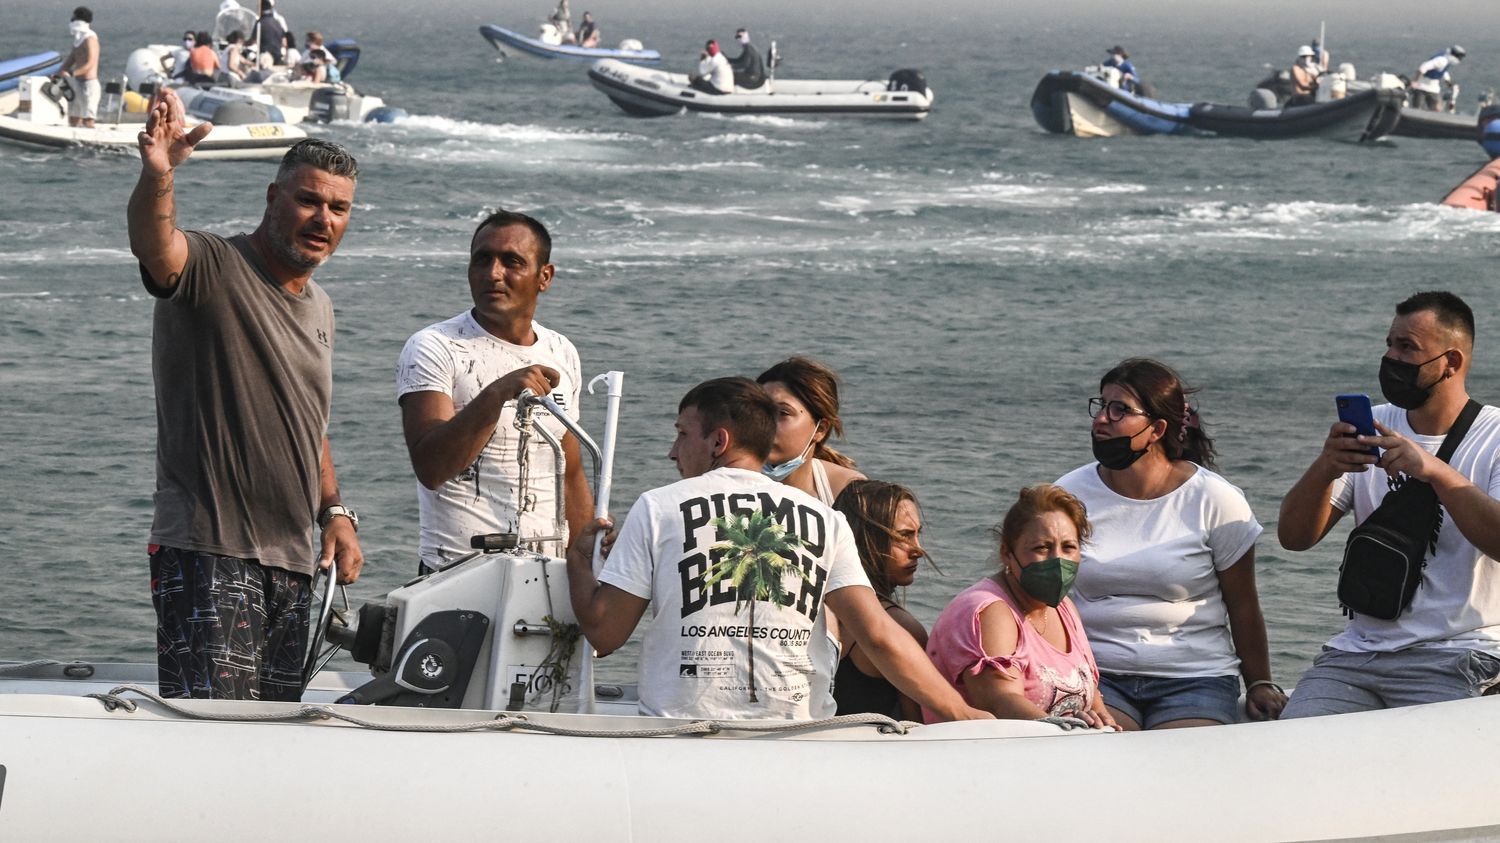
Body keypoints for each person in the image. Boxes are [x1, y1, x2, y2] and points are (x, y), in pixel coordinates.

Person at [564, 377, 991, 722]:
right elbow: (878, 635)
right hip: (796, 737)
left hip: (684, 731)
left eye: (681, 434)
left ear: (719, 441)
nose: (672, 451)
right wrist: (963, 713)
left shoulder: (657, 506)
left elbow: (605, 634)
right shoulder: (826, 520)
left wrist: (579, 561)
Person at [128, 91, 365, 701]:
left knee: (270, 744)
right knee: (216, 742)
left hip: (291, 559)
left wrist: (334, 513)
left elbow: (305, 419)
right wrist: (160, 176)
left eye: (338, 208)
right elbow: (157, 249)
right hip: (210, 549)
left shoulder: (321, 308)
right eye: (309, 200)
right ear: (273, 198)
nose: (323, 219)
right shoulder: (212, 265)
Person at [1279, 291, 1500, 717]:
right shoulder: (1374, 427)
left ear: (1451, 362)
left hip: (1461, 655)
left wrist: (1434, 471)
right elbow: (1293, 538)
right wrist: (1325, 467)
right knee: (1295, 751)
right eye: (1389, 343)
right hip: (1357, 657)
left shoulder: (1493, 437)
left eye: (1407, 348)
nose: (1391, 357)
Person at [1055, 358, 1284, 730]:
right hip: (1097, 674)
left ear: (1157, 428)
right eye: (1101, 406)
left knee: (1179, 763)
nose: (1101, 420)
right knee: (1103, 751)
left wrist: (1259, 682)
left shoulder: (1214, 499)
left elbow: (1242, 603)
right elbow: (1042, 594)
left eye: (1120, 411)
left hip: (1195, 677)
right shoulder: (1067, 495)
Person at [397, 211, 592, 575]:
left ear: (544, 277)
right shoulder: (435, 346)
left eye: (512, 262)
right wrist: (496, 394)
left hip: (550, 575)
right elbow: (432, 467)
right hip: (457, 572)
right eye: (482, 259)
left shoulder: (561, 351)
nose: (493, 273)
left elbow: (570, 472)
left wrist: (587, 565)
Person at [925, 485, 1117, 729]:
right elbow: (1000, 700)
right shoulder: (989, 611)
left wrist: (1103, 718)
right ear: (1007, 553)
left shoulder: (1064, 608)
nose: (1057, 560)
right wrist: (1059, 729)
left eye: (1068, 547)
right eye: (1041, 548)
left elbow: (1091, 692)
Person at [831, 480, 930, 720]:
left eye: (917, 535)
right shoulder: (899, 627)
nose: (918, 550)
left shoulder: (813, 608)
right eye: (904, 536)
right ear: (866, 539)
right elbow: (917, 727)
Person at [755, 357, 865, 506]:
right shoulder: (722, 483)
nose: (765, 423)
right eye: (759, 410)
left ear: (821, 429)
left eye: (783, 413)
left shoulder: (848, 492)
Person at [57, 7, 100, 128]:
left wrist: (72, 73)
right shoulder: (78, 40)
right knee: (73, 117)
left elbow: (90, 63)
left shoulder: (90, 38)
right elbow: (71, 59)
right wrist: (60, 72)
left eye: (74, 18)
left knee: (88, 119)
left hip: (89, 84)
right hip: (77, 83)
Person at [1412, 46, 1466, 112]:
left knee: (1437, 109)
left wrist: (1448, 82)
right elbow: (1423, 67)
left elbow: (1442, 70)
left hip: (1433, 88)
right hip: (1421, 86)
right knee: (1417, 109)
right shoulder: (1441, 60)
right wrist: (1415, 81)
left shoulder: (1446, 59)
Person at [254, 0, 288, 66]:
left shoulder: (260, 23)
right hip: (277, 57)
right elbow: (284, 42)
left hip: (265, 58)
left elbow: (253, 40)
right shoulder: (277, 22)